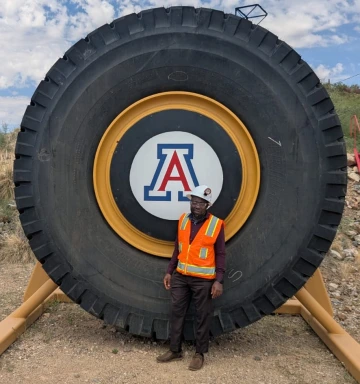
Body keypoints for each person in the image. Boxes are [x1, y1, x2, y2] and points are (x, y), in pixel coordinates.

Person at [156, 185, 226, 371]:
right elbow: (177, 249)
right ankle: (175, 350)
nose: (196, 206)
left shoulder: (216, 224)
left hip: (203, 279)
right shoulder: (183, 221)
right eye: (194, 202)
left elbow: (220, 253)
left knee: (202, 316)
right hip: (181, 277)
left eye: (200, 203)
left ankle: (199, 354)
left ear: (207, 205)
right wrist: (170, 271)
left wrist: (219, 280)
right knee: (176, 312)